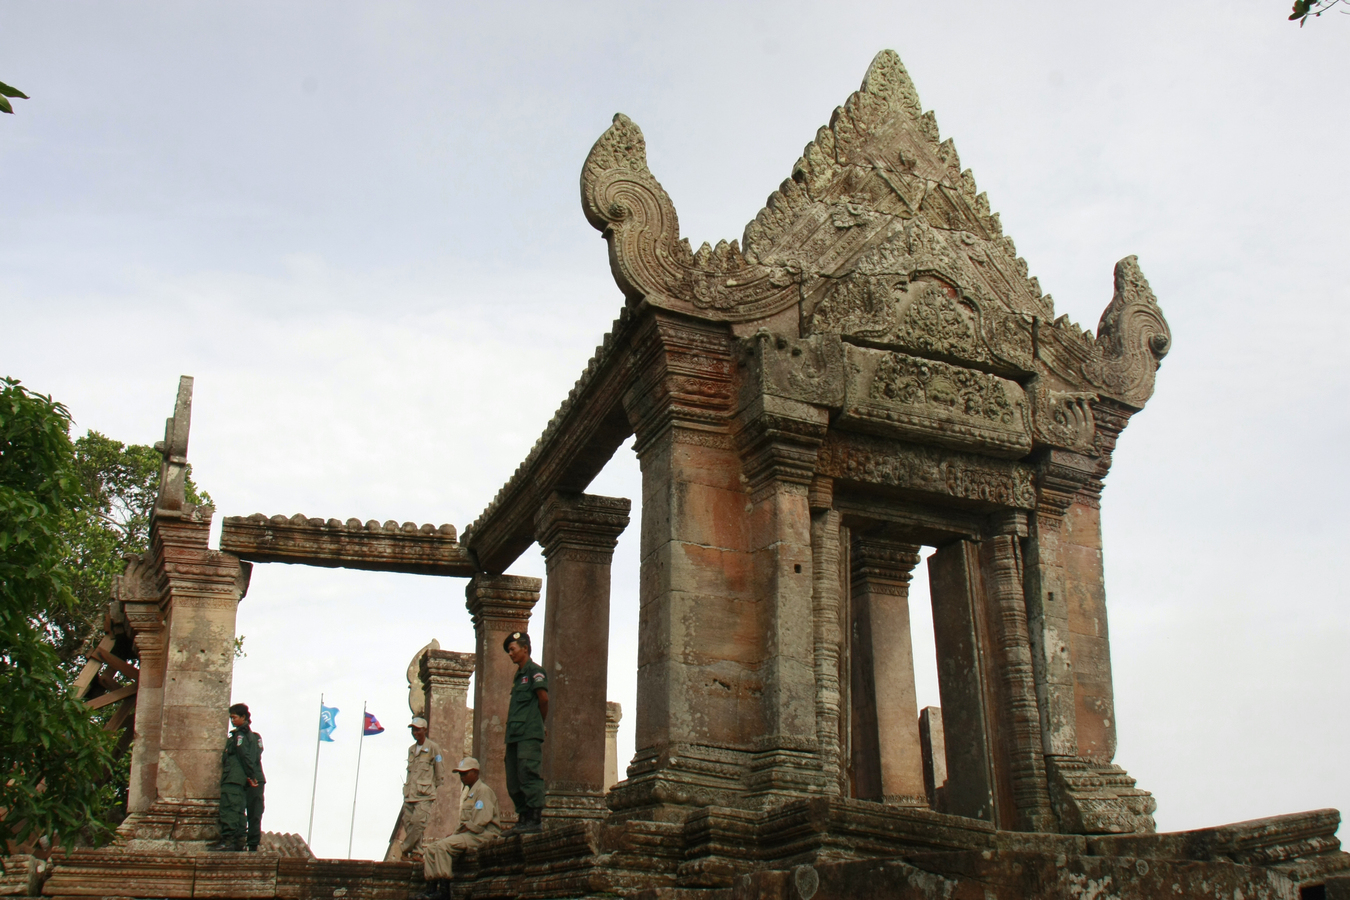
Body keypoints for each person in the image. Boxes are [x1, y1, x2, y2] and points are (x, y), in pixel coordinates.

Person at [413, 757, 502, 900]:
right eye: (460, 774)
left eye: (465, 773)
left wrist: (457, 836)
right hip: (471, 834)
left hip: (483, 834)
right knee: (431, 849)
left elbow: (478, 824)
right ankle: (431, 888)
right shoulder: (470, 793)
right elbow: (465, 824)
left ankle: (444, 891)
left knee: (442, 847)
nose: (462, 777)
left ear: (475, 772)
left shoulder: (483, 791)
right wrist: (455, 834)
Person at [501, 631, 547, 835]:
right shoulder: (518, 676)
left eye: (512, 649)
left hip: (528, 733)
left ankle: (534, 818)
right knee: (513, 778)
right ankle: (523, 818)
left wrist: (538, 723)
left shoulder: (535, 672)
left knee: (528, 773)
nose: (510, 654)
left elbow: (543, 699)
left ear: (525, 648)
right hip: (514, 734)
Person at [209, 702, 265, 852]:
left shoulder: (241, 735)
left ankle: (231, 841)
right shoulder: (251, 737)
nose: (232, 721)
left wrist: (250, 774)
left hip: (238, 777)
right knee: (243, 810)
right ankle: (243, 841)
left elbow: (245, 755)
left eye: (234, 717)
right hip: (247, 777)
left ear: (243, 717)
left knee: (232, 807)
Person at [397, 715, 445, 859]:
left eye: (418, 730)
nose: (415, 733)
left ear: (425, 730)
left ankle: (404, 848)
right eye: (413, 730)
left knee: (418, 822)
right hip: (410, 793)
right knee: (409, 824)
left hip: (425, 794)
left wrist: (433, 789)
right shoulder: (411, 750)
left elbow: (439, 770)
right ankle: (417, 852)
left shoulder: (433, 748)